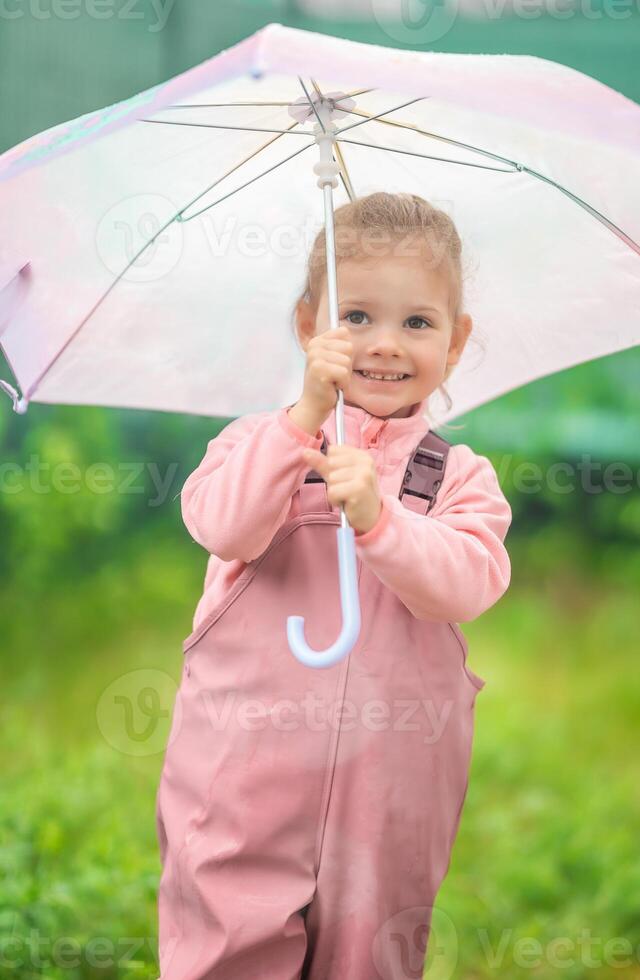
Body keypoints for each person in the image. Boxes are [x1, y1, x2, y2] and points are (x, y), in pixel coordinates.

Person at [155, 191, 512, 979]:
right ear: (308, 325)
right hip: (243, 768)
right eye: (355, 317)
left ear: (456, 342)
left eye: (417, 323)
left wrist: (384, 522)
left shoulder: (458, 476)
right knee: (227, 938)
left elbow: (467, 583)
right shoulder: (257, 443)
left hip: (388, 785)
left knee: (371, 952)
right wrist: (300, 423)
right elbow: (223, 523)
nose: (385, 344)